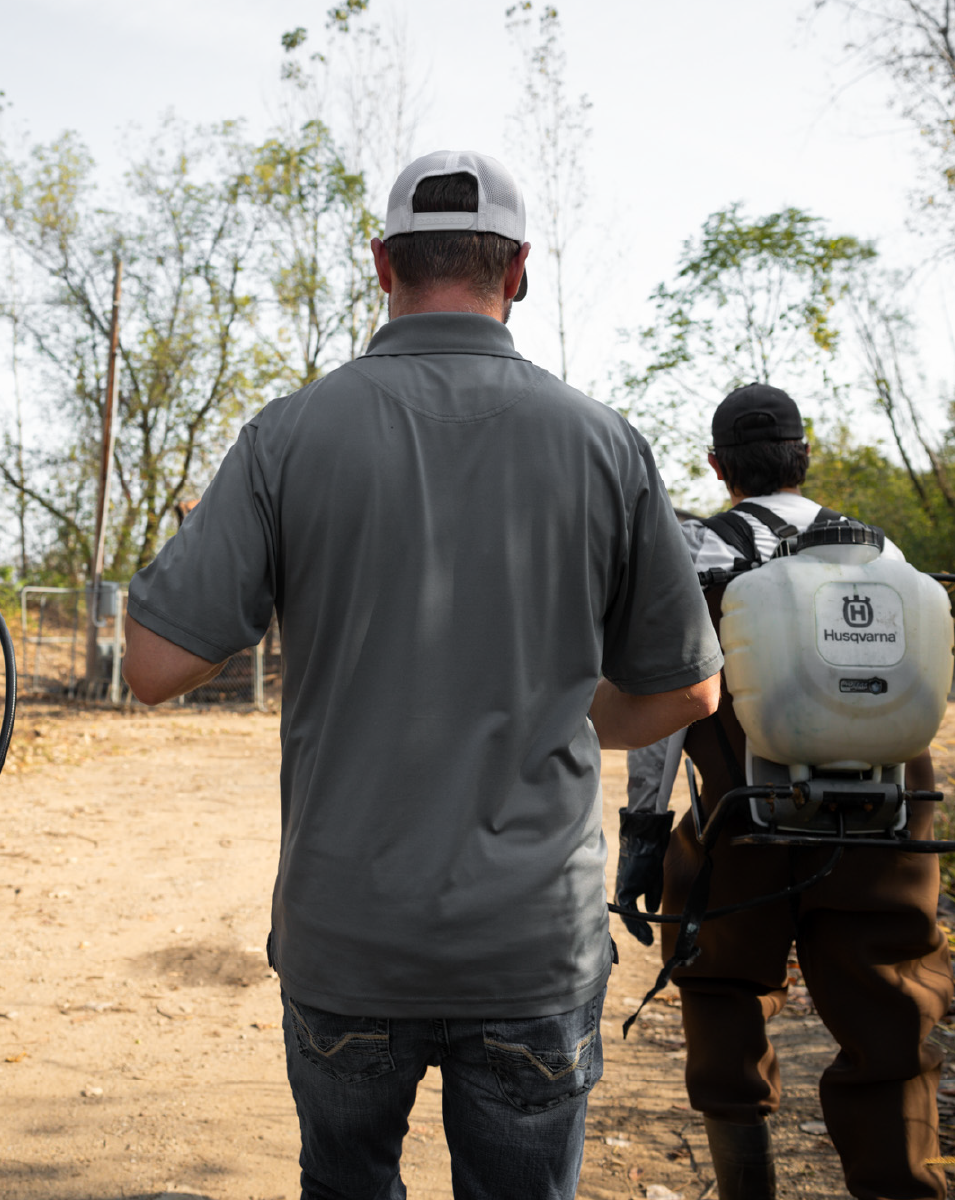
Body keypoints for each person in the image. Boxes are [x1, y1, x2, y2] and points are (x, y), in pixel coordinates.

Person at [121, 150, 721, 1198]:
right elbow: (687, 690)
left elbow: (155, 663)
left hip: (348, 939)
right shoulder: (604, 445)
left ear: (381, 263)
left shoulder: (287, 436)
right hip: (532, 944)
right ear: (519, 269)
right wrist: (563, 713)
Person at [616, 382, 952, 1200]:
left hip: (748, 821)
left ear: (718, 466)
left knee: (722, 984)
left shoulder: (695, 554)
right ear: (806, 458)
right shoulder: (884, 558)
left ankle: (748, 1186)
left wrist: (644, 840)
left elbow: (665, 716)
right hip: (890, 824)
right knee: (893, 1016)